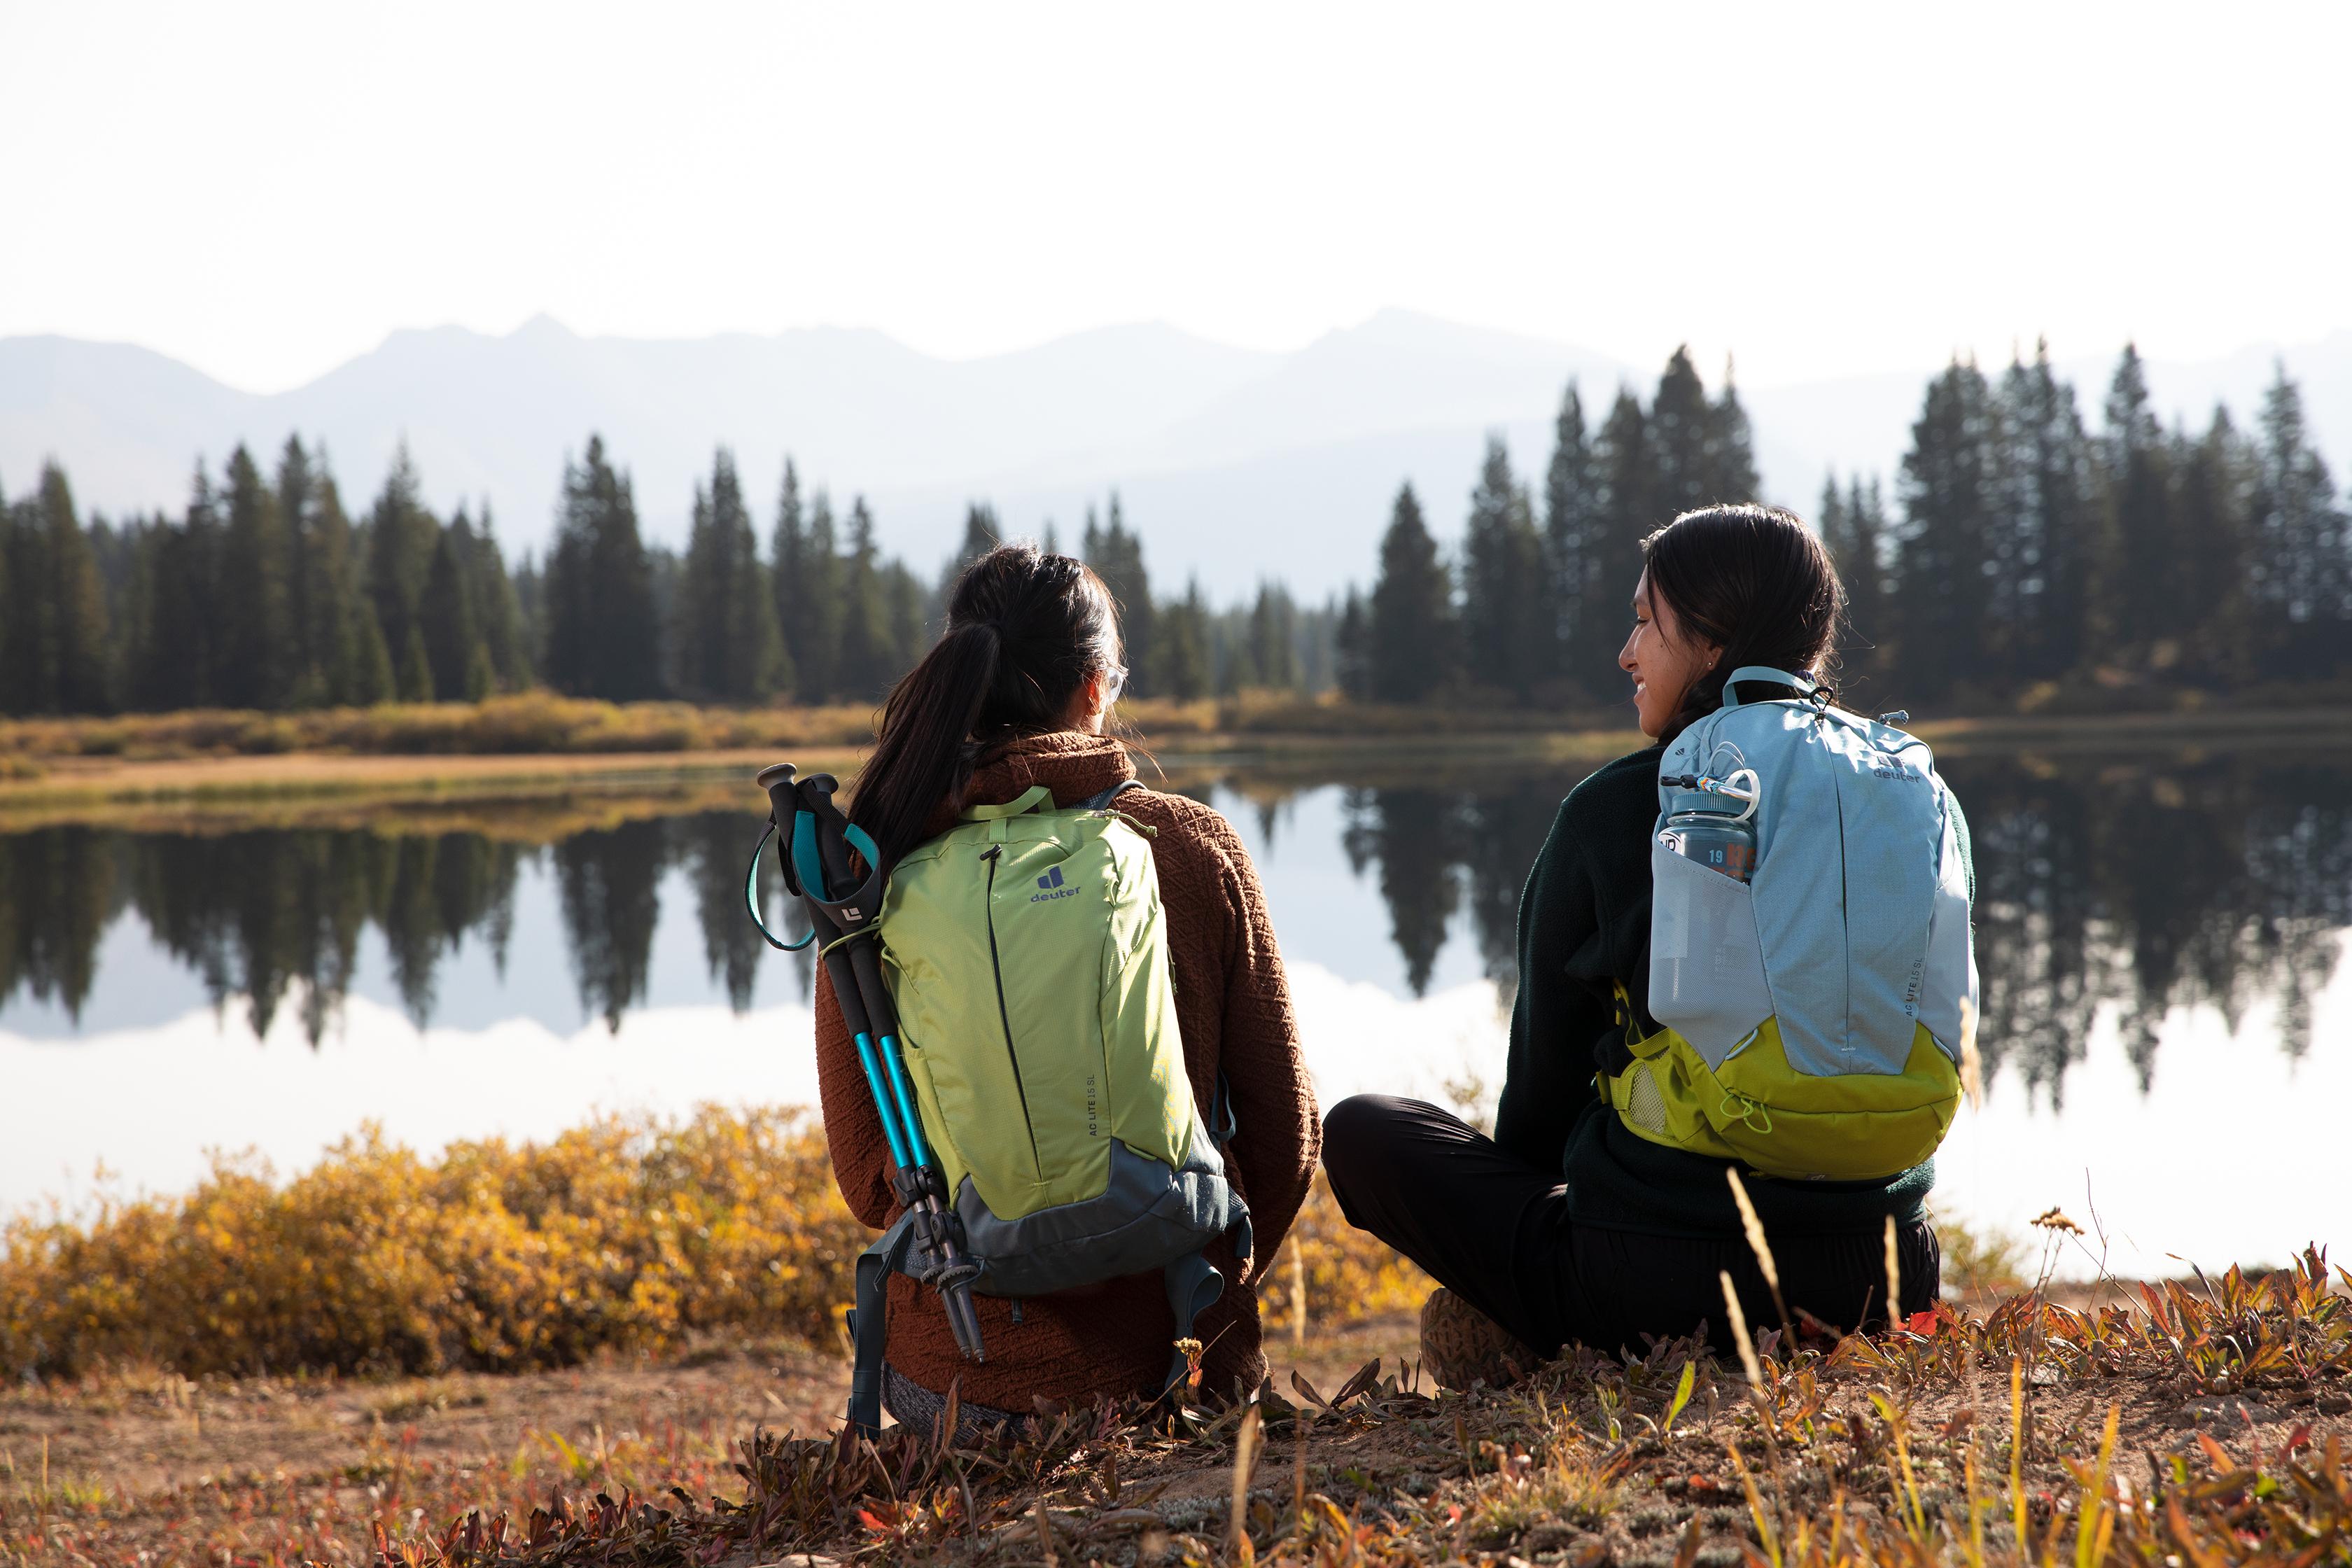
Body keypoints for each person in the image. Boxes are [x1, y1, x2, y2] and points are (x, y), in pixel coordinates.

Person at [1322, 504, 1957, 1387]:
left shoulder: (1619, 806)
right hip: (1887, 1276)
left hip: (1659, 1285)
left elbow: (1540, 1110)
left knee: (1360, 1130)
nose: (1626, 652)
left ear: (1711, 642)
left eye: (1643, 623)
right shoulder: (1903, 792)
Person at [814, 542, 1317, 1434]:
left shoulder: (874, 873)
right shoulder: (1192, 845)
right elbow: (1288, 1141)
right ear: (1095, 688)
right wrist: (1200, 1284)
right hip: (1177, 1367)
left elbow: (868, 1175)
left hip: (956, 1386)